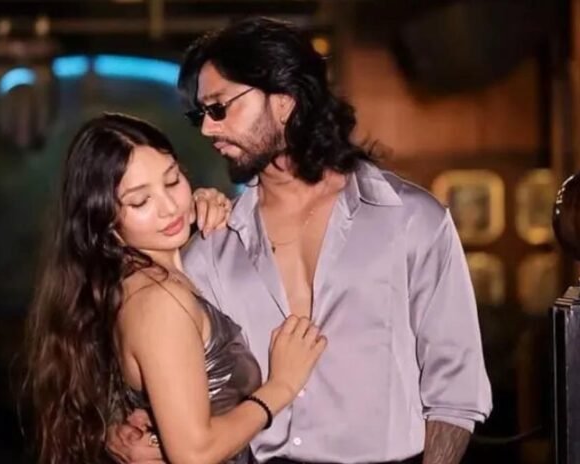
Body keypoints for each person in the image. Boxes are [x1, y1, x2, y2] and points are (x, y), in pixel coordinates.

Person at [107, 16, 492, 464]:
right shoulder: (211, 247)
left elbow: (455, 395)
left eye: (219, 108)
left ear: (284, 102)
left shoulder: (412, 221)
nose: (208, 129)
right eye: (201, 114)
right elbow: (164, 366)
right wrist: (124, 429)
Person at [24, 112, 327, 464]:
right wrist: (281, 387)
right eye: (140, 201)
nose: (170, 207)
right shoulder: (159, 301)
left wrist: (205, 211)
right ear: (104, 218)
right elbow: (194, 454)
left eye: (172, 180)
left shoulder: (145, 280)